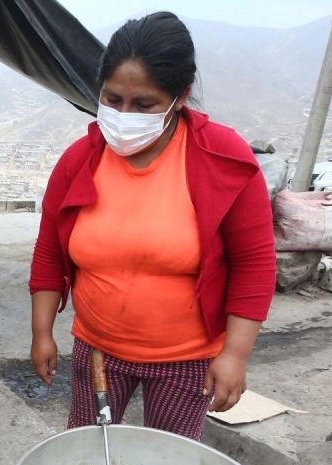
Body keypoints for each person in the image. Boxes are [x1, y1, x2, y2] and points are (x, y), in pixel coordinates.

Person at [28, 12, 275, 439]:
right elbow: (50, 250)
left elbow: (254, 263)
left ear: (180, 97)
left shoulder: (221, 156)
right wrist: (42, 332)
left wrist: (235, 354)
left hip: (186, 358)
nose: (124, 115)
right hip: (98, 350)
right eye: (112, 99)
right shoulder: (80, 160)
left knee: (167, 463)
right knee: (90, 453)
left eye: (144, 104)